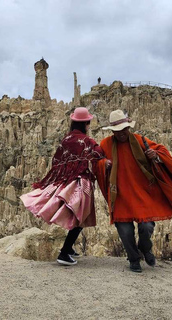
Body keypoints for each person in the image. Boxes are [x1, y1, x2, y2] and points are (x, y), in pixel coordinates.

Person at [96, 110, 172, 272]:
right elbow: (95, 161)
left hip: (143, 194)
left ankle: (145, 248)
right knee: (125, 232)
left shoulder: (140, 141)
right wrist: (103, 163)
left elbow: (161, 151)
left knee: (146, 227)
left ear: (129, 128)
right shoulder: (105, 145)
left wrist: (155, 155)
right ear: (112, 131)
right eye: (118, 131)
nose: (121, 134)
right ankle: (134, 259)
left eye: (124, 130)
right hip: (120, 196)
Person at [20, 107, 104, 266]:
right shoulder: (87, 141)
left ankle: (69, 248)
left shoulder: (66, 140)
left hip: (65, 181)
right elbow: (98, 154)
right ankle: (64, 252)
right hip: (80, 182)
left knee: (72, 213)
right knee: (81, 216)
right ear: (86, 123)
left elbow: (56, 160)